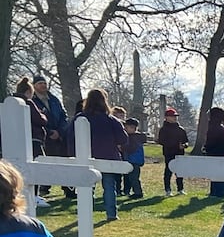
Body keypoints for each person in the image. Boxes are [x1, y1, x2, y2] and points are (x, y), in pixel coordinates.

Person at [78, 88, 128, 220]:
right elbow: (123, 139)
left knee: (87, 185)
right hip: (108, 156)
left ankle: (85, 213)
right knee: (109, 186)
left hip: (85, 157)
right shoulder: (111, 120)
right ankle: (111, 214)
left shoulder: (80, 119)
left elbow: (70, 137)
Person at [31, 77, 69, 199]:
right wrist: (48, 132)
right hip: (43, 137)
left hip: (58, 137)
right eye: (40, 83)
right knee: (45, 162)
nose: (43, 85)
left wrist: (59, 131)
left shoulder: (53, 99)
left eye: (44, 83)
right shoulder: (33, 100)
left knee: (63, 163)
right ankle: (44, 188)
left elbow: (64, 116)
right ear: (34, 86)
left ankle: (68, 189)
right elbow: (34, 119)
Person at [157, 108, 190, 195]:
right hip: (169, 153)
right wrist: (174, 145)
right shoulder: (163, 129)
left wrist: (184, 145)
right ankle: (168, 189)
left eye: (175, 116)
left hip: (179, 153)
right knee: (168, 171)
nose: (175, 118)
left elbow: (186, 141)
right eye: (172, 116)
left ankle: (180, 189)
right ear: (167, 117)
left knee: (179, 171)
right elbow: (161, 141)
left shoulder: (181, 129)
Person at [202, 106, 224, 199]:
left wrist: (207, 148)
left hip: (216, 152)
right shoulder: (218, 127)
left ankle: (218, 192)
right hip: (218, 152)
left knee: (217, 173)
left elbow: (212, 141)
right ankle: (216, 191)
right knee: (215, 173)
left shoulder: (214, 127)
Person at [122, 118, 146, 199]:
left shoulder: (134, 138)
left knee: (134, 178)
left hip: (133, 160)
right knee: (132, 177)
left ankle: (138, 193)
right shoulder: (135, 137)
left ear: (133, 128)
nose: (125, 128)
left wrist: (121, 148)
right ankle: (136, 191)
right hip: (134, 160)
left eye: (127, 127)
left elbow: (131, 149)